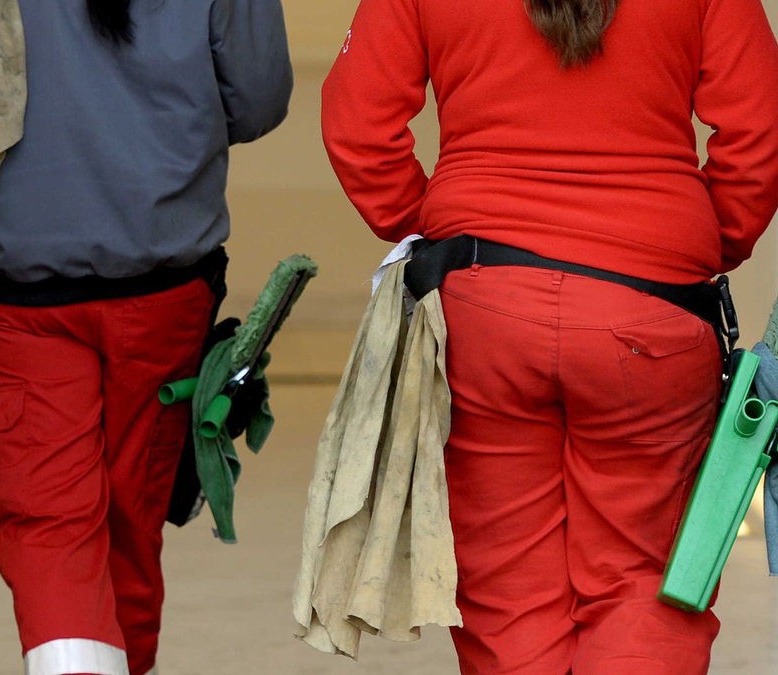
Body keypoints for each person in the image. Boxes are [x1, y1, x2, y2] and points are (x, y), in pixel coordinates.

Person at [322, 0, 778, 673]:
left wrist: (450, 232)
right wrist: (702, 242)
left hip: (484, 308)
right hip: (653, 311)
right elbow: (760, 130)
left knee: (507, 590)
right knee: (647, 581)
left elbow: (359, 127)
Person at [0, 1, 292, 673]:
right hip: (164, 281)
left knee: (49, 522)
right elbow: (256, 99)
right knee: (131, 522)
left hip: (23, 289)